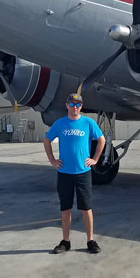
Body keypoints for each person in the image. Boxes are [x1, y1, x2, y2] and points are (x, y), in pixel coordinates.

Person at [43, 92, 105, 254]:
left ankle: (90, 241)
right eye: (72, 104)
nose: (75, 107)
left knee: (86, 208)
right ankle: (66, 241)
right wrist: (52, 160)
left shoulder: (88, 123)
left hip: (83, 173)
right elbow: (47, 140)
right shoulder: (60, 124)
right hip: (64, 173)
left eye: (78, 104)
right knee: (66, 209)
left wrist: (95, 159)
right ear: (66, 105)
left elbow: (101, 139)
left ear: (81, 106)